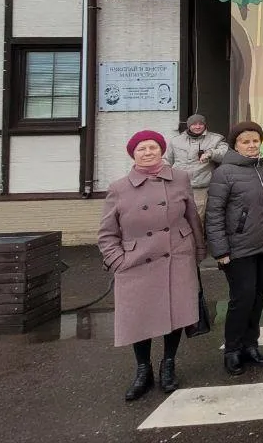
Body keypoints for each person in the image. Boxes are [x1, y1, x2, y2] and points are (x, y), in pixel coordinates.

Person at [97, 130, 206, 401]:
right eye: (142, 149)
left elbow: (192, 216)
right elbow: (107, 233)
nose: (148, 152)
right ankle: (142, 370)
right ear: (133, 154)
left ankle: (168, 364)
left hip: (176, 256)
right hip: (136, 261)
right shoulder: (119, 188)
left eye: (153, 147)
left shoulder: (180, 178)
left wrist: (198, 250)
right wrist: (117, 261)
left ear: (161, 150)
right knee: (139, 317)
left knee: (176, 313)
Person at [205, 121, 263, 376]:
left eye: (255, 140)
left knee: (258, 297)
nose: (251, 145)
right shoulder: (224, 173)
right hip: (238, 249)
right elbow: (214, 214)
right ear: (235, 145)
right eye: (245, 141)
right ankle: (232, 350)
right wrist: (220, 251)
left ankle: (251, 345)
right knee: (242, 299)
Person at [164, 113, 228, 217]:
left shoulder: (216, 139)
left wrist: (211, 153)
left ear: (205, 125)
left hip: (200, 188)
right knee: (177, 216)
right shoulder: (176, 140)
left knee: (197, 219)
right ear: (189, 125)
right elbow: (167, 160)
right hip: (178, 186)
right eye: (194, 124)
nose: (197, 127)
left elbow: (225, 153)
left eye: (200, 124)